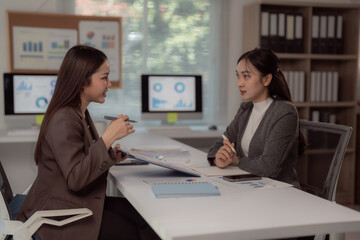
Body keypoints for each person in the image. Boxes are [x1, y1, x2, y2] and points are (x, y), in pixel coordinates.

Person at [17, 45, 159, 240]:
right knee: (134, 232)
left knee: (146, 218)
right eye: (104, 77)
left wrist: (110, 154)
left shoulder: (79, 112)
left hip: (74, 203)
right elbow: (76, 179)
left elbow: (83, 160)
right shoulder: (64, 118)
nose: (109, 84)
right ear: (83, 81)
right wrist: (108, 137)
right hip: (58, 215)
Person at [207, 48, 306, 188]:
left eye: (246, 76)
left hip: (279, 192)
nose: (239, 83)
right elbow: (217, 146)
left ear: (266, 79)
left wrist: (235, 160)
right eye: (238, 76)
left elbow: (268, 167)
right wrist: (220, 158)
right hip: (250, 185)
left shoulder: (284, 112)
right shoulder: (245, 110)